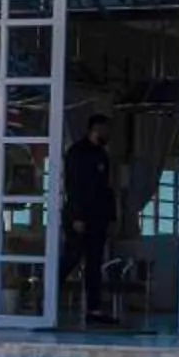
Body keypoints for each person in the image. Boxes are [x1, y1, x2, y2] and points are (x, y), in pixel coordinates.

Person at [61, 114, 120, 326]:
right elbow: (73, 186)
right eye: (105, 130)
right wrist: (77, 216)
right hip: (79, 216)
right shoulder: (77, 153)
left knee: (94, 264)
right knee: (72, 257)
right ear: (94, 129)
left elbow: (106, 189)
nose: (108, 134)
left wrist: (111, 217)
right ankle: (45, 297)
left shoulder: (102, 155)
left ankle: (93, 309)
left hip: (98, 217)